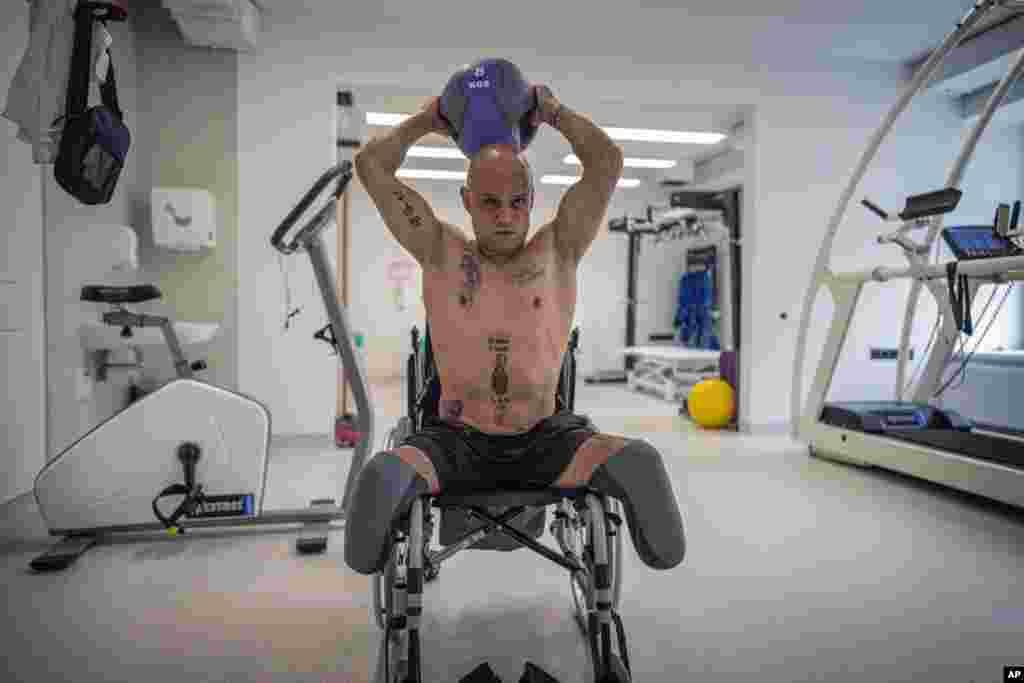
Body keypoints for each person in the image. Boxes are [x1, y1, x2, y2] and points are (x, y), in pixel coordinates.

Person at [345, 82, 686, 576]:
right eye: (488, 202)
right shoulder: (441, 252)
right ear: (465, 200)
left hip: (547, 440)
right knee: (379, 481)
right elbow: (371, 167)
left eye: (517, 201)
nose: (505, 216)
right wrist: (428, 119)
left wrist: (553, 112)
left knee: (641, 463)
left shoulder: (558, 250)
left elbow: (607, 161)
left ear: (531, 199)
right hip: (456, 442)